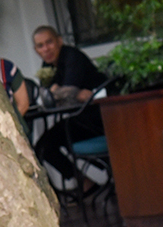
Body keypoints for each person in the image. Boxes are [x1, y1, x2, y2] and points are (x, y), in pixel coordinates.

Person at [30, 25, 109, 190]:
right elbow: (49, 96)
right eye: (41, 45)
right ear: (36, 50)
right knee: (43, 147)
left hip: (100, 119)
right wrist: (64, 93)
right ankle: (85, 182)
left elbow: (67, 93)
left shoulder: (71, 56)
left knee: (48, 144)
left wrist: (60, 92)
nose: (46, 49)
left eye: (49, 42)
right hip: (80, 119)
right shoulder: (48, 66)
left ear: (60, 41)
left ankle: (110, 173)